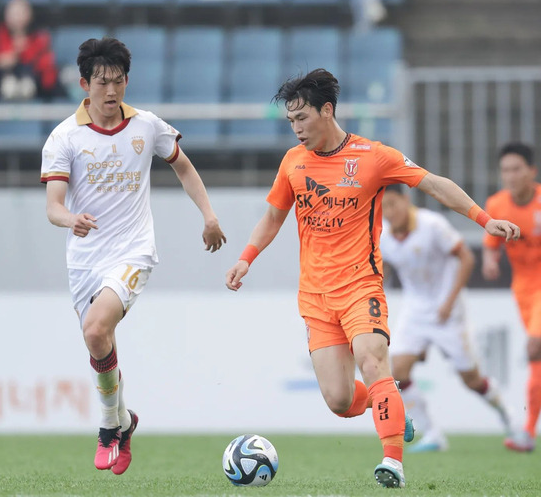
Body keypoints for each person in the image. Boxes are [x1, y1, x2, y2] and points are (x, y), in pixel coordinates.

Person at [225, 68, 519, 489]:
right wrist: (246, 258)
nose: (296, 129)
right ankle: (393, 409)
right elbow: (273, 216)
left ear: (326, 110)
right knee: (339, 401)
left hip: (361, 286)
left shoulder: (373, 156)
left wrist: (484, 219)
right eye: (290, 121)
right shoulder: (293, 162)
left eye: (302, 118)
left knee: (373, 361)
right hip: (315, 296)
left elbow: (434, 184)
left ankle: (393, 461)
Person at [41, 37, 226, 474]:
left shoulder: (147, 126)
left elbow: (182, 164)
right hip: (85, 259)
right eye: (102, 82)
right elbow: (52, 207)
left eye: (119, 81)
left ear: (127, 81)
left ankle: (108, 426)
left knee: (95, 327)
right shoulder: (64, 137)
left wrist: (209, 215)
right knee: (97, 339)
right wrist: (71, 220)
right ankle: (125, 420)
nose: (111, 91)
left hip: (133, 250)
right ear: (85, 84)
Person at [381, 184, 514, 453]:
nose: (389, 212)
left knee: (472, 380)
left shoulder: (432, 225)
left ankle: (508, 415)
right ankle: (432, 434)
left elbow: (466, 258)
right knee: (398, 370)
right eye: (383, 208)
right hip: (416, 310)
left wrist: (448, 302)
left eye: (393, 204)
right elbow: (380, 268)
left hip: (448, 312)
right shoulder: (383, 235)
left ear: (406, 200)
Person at [483, 142, 541, 453]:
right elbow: (491, 246)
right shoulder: (497, 204)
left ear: (531, 172)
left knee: (534, 346)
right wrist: (490, 261)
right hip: (524, 290)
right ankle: (528, 432)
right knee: (538, 358)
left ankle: (527, 430)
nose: (511, 175)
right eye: (505, 170)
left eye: (517, 169)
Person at [0, 0, 62, 102]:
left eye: (22, 12)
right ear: (6, 15)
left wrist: (24, 56)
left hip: (35, 89)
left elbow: (48, 76)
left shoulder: (40, 40)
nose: (18, 17)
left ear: (30, 15)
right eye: (14, 13)